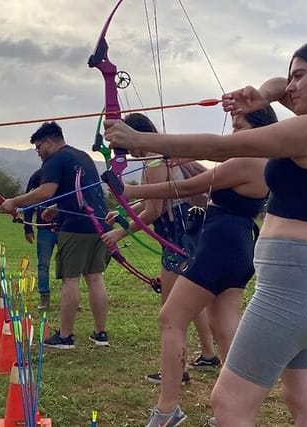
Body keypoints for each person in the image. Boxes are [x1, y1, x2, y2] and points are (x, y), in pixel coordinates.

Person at [104, 35, 307, 427]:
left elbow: (221, 146)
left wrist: (140, 139)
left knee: (228, 403)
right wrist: (262, 94)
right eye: (291, 77)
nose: (290, 87)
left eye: (301, 76)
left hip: (292, 289)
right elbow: (278, 84)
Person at [109, 107, 276, 427]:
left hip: (219, 245)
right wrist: (183, 161)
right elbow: (205, 184)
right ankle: (235, 410)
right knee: (224, 323)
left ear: (259, 128)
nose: (233, 132)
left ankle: (167, 409)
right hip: (237, 244)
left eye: (239, 125)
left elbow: (186, 188)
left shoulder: (247, 159)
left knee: (171, 318)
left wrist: (131, 192)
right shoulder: (261, 161)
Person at [102, 113, 219, 388]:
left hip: (176, 239)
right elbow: (151, 204)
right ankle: (209, 354)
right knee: (189, 299)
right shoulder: (157, 157)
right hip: (184, 237)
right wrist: (121, 215)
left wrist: (120, 232)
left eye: (124, 140)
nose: (126, 150)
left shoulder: (154, 159)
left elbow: (154, 210)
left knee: (170, 311)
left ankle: (177, 370)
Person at [0, 121, 112, 349]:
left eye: (39, 147)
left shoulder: (54, 160)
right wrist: (58, 208)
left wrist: (14, 202)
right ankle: (100, 334)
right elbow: (82, 193)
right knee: (95, 278)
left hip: (75, 228)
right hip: (99, 225)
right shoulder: (82, 157)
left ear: (49, 142)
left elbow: (45, 191)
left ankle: (66, 336)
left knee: (70, 280)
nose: (39, 153)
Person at [23, 167, 58, 311]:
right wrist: (28, 227)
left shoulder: (68, 174)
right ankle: (44, 297)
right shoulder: (37, 176)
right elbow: (29, 202)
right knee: (43, 264)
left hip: (66, 227)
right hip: (44, 228)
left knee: (69, 264)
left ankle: (71, 296)